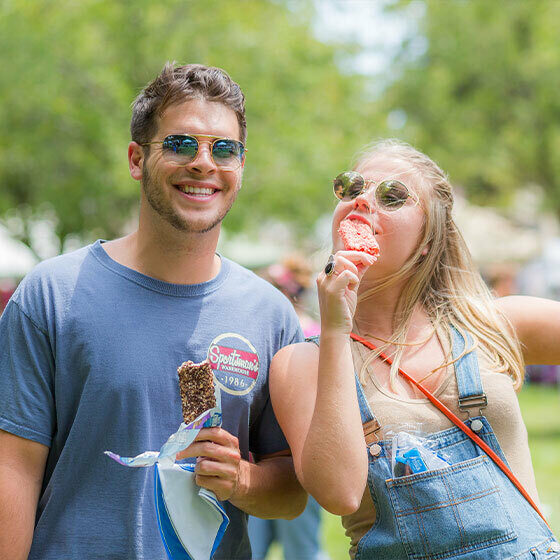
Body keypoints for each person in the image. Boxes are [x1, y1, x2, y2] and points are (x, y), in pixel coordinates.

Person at [0, 62, 307, 560]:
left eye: (224, 149)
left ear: (241, 168)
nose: (204, 163)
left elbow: (293, 488)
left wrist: (244, 480)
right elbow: (11, 469)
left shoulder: (270, 315)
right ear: (136, 159)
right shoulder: (52, 295)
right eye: (182, 144)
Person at [269, 139, 560, 559]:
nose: (362, 200)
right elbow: (341, 493)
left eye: (391, 195)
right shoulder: (301, 363)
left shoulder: (489, 324)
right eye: (350, 188)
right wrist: (335, 329)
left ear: (428, 239)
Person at [249, 255, 327, 560]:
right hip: (268, 458)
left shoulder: (307, 333)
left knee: (301, 548)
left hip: (297, 456)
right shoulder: (302, 329)